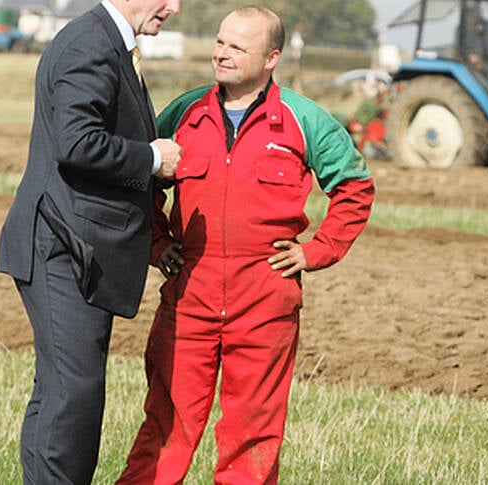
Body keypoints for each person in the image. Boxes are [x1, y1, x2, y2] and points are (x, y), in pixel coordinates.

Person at [116, 6, 375, 484]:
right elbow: (139, 176)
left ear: (272, 57)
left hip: (265, 298)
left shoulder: (304, 119)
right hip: (189, 296)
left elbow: (354, 188)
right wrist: (156, 242)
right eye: (220, 42)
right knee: (165, 427)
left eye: (237, 47)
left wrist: (316, 251)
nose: (222, 54)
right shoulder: (184, 113)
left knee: (251, 437)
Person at [0, 0, 182, 482]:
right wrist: (151, 159)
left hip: (73, 242)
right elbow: (77, 143)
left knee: (61, 389)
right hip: (63, 245)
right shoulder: (91, 45)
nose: (175, 7)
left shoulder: (107, 42)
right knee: (74, 393)